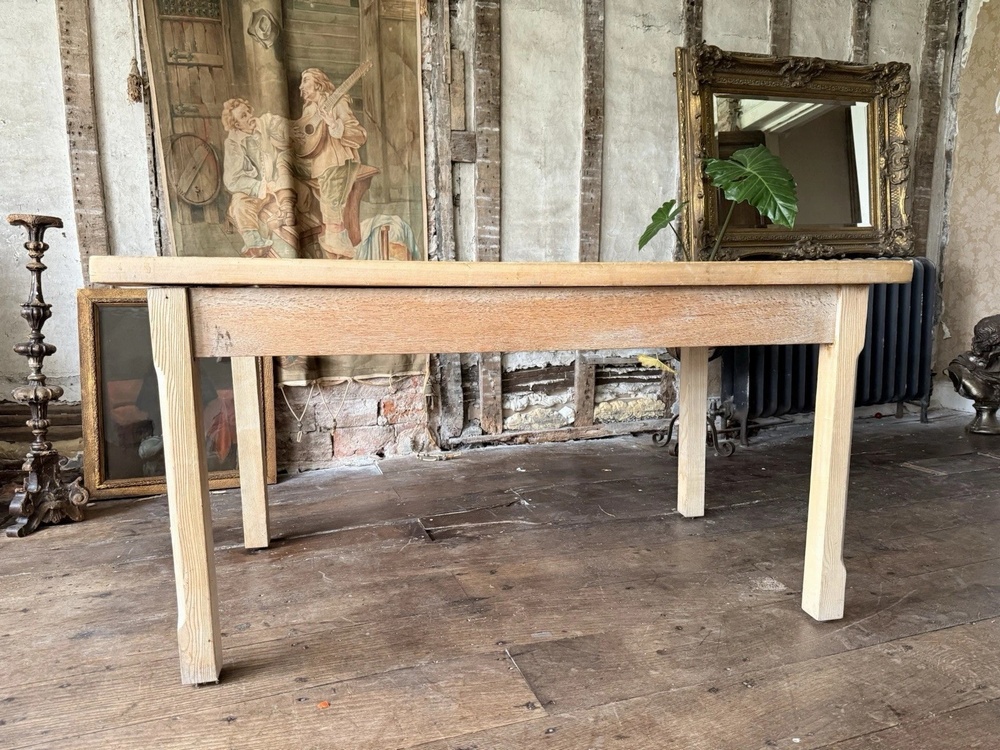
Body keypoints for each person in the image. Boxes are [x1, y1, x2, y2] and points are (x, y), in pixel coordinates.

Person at [292, 68, 368, 258]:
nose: (301, 86)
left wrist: (334, 125)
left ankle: (343, 258)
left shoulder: (338, 102)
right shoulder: (309, 109)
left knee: (331, 210)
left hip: (338, 162)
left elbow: (359, 135)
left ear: (318, 83)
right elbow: (305, 134)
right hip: (319, 165)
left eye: (305, 80)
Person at [221, 98, 297, 257]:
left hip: (276, 182)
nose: (249, 117)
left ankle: (285, 215)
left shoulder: (263, 123)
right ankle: (255, 244)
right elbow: (232, 180)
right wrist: (260, 187)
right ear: (236, 125)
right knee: (239, 203)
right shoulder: (233, 143)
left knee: (289, 180)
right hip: (254, 191)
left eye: (248, 111)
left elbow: (281, 125)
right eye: (243, 116)